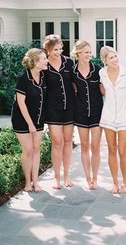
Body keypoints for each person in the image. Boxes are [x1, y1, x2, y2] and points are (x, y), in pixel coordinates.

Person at [11, 48, 48, 192]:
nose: (46, 61)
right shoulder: (23, 78)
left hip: (38, 118)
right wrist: (30, 124)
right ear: (35, 62)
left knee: (36, 149)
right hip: (21, 119)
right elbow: (20, 103)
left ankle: (36, 182)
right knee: (28, 150)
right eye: (44, 58)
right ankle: (28, 182)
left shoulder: (43, 76)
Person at [99, 46, 126, 194]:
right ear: (105, 60)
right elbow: (102, 90)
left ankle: (125, 183)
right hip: (108, 116)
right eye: (111, 58)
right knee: (111, 150)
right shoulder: (102, 73)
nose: (115, 60)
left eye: (115, 56)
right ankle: (115, 183)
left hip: (125, 116)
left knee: (122, 150)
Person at [43, 35, 75, 189]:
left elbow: (76, 83)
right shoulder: (44, 64)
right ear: (47, 49)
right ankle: (56, 178)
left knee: (68, 142)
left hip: (69, 107)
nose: (59, 51)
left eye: (61, 48)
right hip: (52, 109)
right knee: (57, 143)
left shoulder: (69, 62)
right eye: (55, 49)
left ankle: (67, 176)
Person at [70, 40, 103, 190]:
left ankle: (95, 178)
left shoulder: (98, 70)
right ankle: (87, 178)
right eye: (86, 52)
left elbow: (104, 90)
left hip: (97, 113)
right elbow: (71, 89)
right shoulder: (72, 71)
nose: (89, 55)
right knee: (84, 146)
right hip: (80, 112)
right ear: (78, 53)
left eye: (90, 52)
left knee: (95, 146)